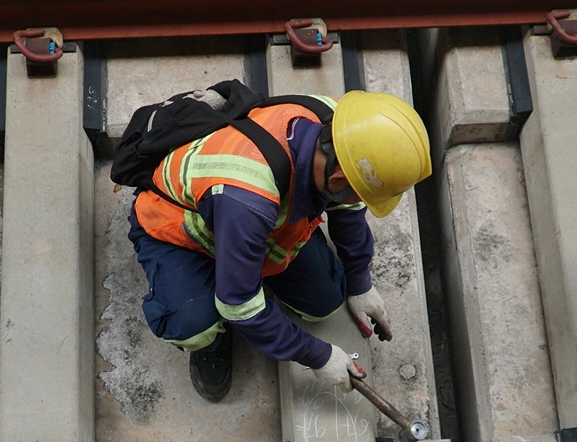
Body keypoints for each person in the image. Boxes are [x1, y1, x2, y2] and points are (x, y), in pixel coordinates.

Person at [129, 90, 431, 402]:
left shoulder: (345, 128)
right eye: (363, 194)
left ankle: (255, 279)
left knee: (325, 301)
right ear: (338, 178)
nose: (362, 203)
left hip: (246, 218)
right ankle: (211, 341)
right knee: (194, 324)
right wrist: (317, 355)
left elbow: (349, 210)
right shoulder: (247, 198)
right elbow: (239, 304)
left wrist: (359, 282)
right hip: (181, 231)